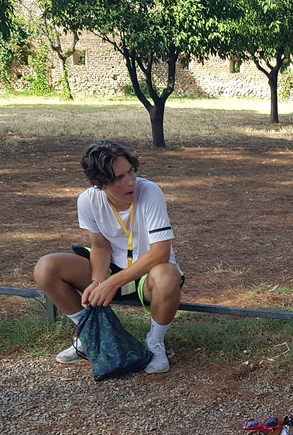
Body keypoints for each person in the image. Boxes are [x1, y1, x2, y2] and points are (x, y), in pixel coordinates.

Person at [33, 141, 183, 374]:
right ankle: (91, 336)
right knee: (46, 267)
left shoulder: (150, 191)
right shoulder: (87, 200)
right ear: (99, 184)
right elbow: (100, 246)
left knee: (167, 274)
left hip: (148, 275)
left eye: (131, 171)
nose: (130, 181)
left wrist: (111, 283)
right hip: (112, 269)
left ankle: (154, 343)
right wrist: (97, 281)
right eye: (119, 178)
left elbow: (160, 252)